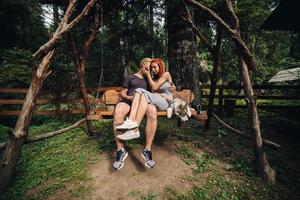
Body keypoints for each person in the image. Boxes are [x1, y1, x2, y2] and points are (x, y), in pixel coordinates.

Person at [112, 58, 158, 170]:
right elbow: (123, 91)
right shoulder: (130, 77)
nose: (149, 68)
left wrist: (149, 76)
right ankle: (120, 150)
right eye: (147, 65)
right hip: (129, 101)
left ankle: (147, 150)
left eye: (151, 67)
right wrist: (128, 97)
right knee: (118, 111)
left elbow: (155, 90)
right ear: (142, 65)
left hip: (145, 102)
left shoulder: (150, 79)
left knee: (152, 111)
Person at [116, 58, 175, 140]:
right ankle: (134, 129)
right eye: (152, 67)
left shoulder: (166, 74)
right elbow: (153, 92)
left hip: (166, 102)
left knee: (139, 90)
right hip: (158, 100)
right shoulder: (154, 79)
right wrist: (160, 94)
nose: (153, 69)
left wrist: (148, 75)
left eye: (155, 67)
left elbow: (154, 88)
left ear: (160, 66)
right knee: (142, 94)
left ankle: (132, 122)